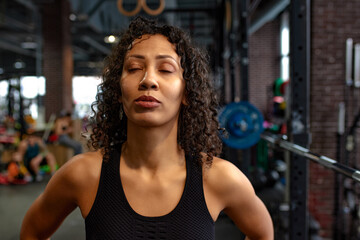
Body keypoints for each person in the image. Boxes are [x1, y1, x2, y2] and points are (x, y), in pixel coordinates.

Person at [20, 17, 273, 239]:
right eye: (134, 68)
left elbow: (262, 233)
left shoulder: (219, 178)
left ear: (186, 92)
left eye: (165, 69)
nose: (148, 80)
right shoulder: (84, 174)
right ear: (118, 90)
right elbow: (32, 232)